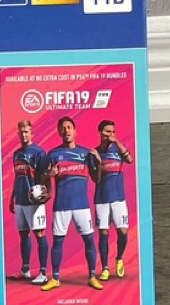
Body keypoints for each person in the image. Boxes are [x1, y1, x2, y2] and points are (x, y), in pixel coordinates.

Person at [40, 117, 102, 292]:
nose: (66, 130)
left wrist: (98, 162)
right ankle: (55, 279)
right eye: (63, 128)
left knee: (89, 240)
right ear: (59, 132)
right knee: (58, 242)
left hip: (82, 206)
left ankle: (92, 277)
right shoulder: (52, 154)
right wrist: (49, 175)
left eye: (69, 127)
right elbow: (41, 178)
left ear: (75, 131)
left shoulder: (86, 154)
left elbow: (97, 179)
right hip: (61, 206)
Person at [8, 119, 50, 284]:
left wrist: (46, 195)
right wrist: (12, 197)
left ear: (32, 133)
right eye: (21, 132)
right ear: (18, 134)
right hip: (20, 200)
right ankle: (25, 270)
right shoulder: (16, 154)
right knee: (23, 234)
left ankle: (43, 273)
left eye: (26, 132)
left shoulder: (39, 153)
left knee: (39, 234)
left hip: (34, 201)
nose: (24, 135)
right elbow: (17, 176)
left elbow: (46, 176)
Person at [93, 119, 133, 280]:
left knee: (122, 232)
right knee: (104, 233)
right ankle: (105, 268)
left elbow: (130, 160)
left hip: (118, 198)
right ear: (100, 133)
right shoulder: (94, 152)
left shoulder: (119, 149)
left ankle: (119, 258)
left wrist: (117, 142)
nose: (111, 135)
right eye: (108, 132)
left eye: (113, 132)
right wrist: (97, 162)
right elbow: (95, 179)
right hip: (102, 199)